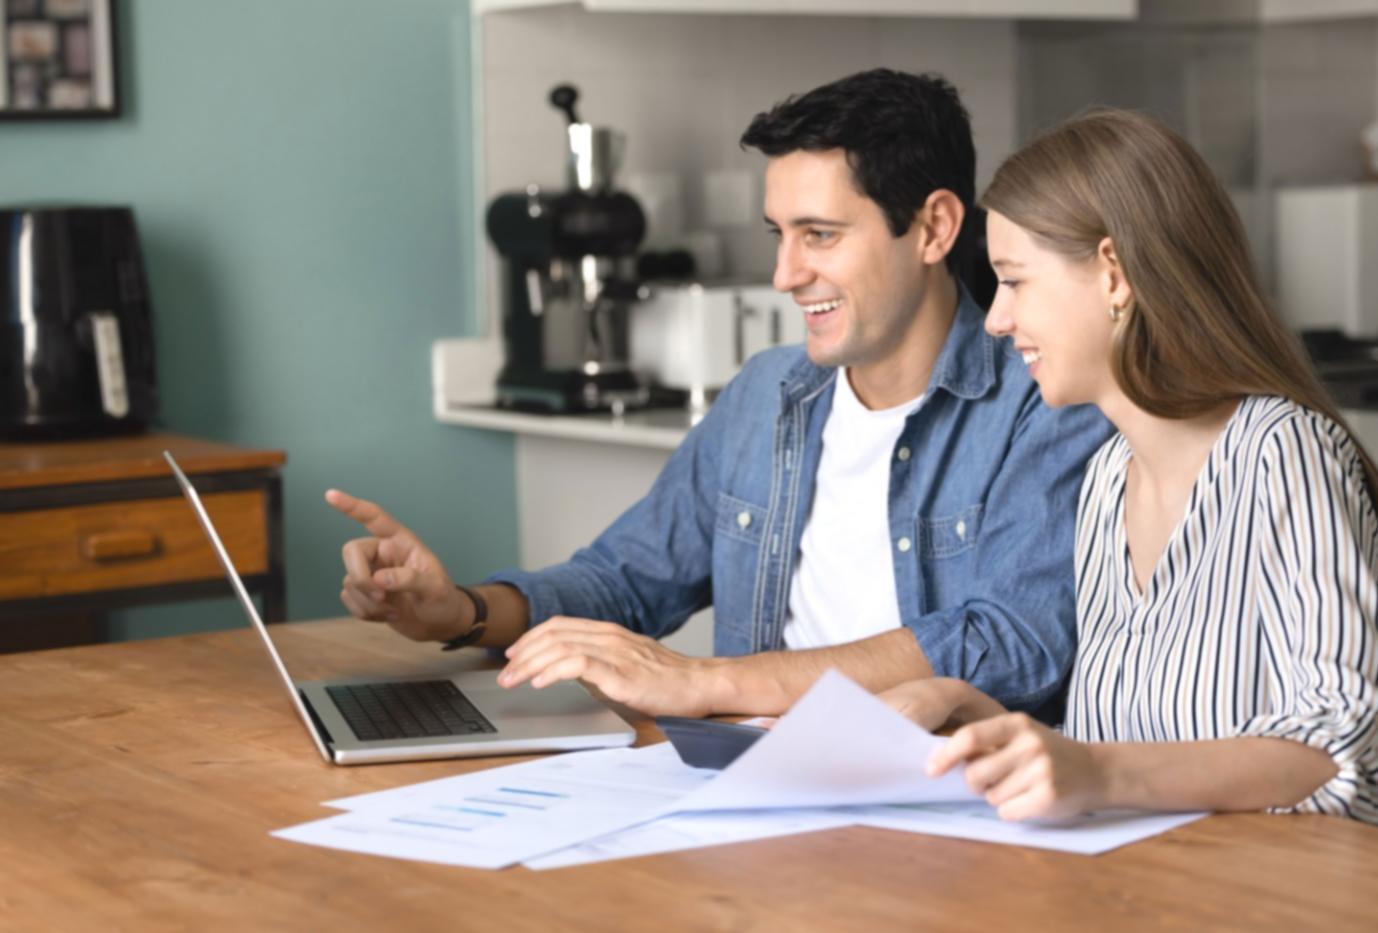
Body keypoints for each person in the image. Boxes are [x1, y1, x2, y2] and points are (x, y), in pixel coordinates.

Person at [327, 69, 1114, 719]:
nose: (785, 275)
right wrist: (458, 609)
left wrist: (706, 683)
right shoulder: (766, 394)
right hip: (746, 784)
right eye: (780, 234)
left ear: (935, 228)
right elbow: (623, 581)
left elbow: (1009, 641)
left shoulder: (1045, 398)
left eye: (821, 234)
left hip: (944, 805)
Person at [879, 109, 1378, 827]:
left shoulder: (1285, 454)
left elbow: (1355, 757)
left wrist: (1093, 768)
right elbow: (1134, 756)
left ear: (1112, 274)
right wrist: (985, 720)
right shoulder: (1105, 482)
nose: (997, 319)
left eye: (1014, 280)